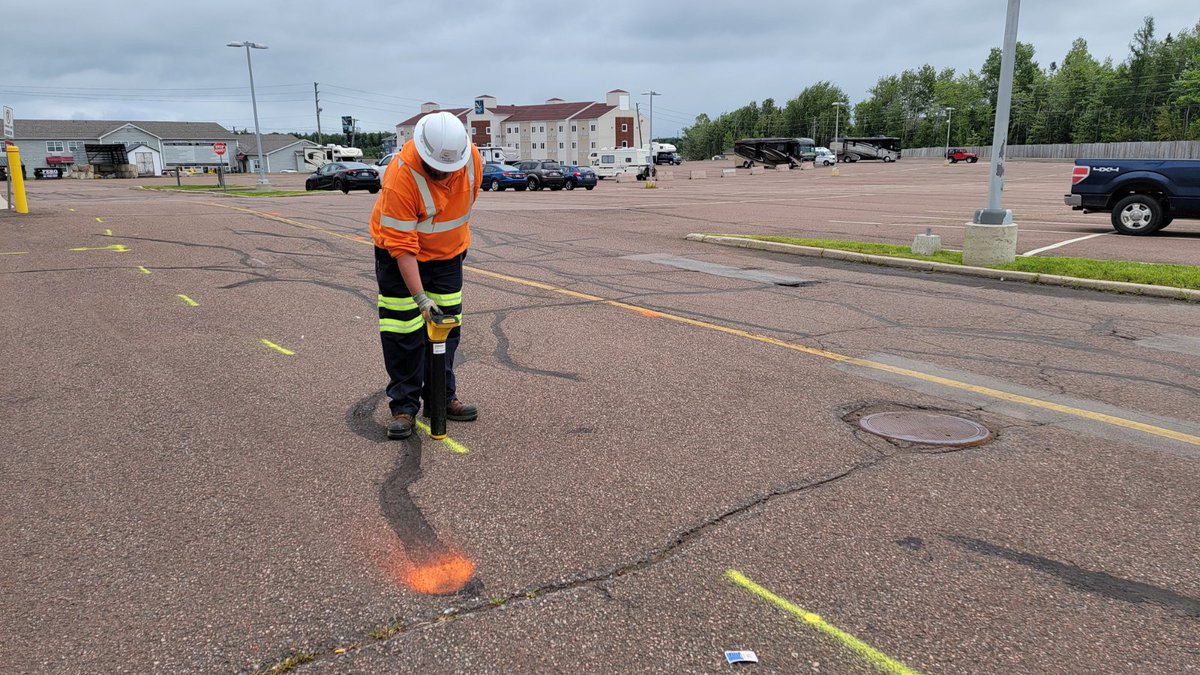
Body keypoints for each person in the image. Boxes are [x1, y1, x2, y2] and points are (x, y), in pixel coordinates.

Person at [370, 111, 482, 439]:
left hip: (448, 256)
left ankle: (442, 399)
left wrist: (452, 250)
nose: (443, 175)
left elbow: (462, 208)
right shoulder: (400, 177)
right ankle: (404, 407)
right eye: (436, 169)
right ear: (421, 153)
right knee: (402, 330)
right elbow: (402, 247)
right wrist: (420, 299)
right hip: (400, 257)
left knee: (446, 330)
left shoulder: (471, 160)